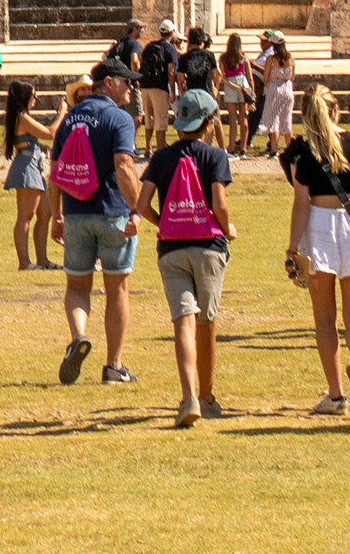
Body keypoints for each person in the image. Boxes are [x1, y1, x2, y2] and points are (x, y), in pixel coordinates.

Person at [137, 87, 236, 427]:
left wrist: (163, 223)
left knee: (183, 320)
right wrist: (228, 228)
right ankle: (206, 397)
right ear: (208, 123)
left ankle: (188, 396)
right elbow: (219, 204)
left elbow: (141, 204)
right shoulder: (215, 156)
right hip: (208, 247)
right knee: (206, 323)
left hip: (171, 249)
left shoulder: (160, 157)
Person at [282, 81, 350, 412]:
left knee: (324, 317)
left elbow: (300, 203)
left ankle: (336, 396)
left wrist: (292, 249)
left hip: (318, 225)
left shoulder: (300, 152)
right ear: (336, 109)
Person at [55, 60, 145, 387]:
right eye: (126, 81)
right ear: (108, 83)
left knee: (77, 286)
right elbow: (124, 165)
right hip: (112, 212)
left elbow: (55, 171)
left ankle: (79, 335)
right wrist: (136, 210)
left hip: (75, 212)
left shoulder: (69, 119)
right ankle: (114, 366)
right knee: (117, 289)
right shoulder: (119, 118)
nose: (131, 87)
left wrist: (56, 215)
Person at [0, 79, 59, 270]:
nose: (36, 98)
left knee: (45, 213)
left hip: (34, 167)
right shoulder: (22, 117)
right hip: (26, 168)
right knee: (25, 216)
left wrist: (42, 147)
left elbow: (30, 139)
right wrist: (62, 114)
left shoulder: (22, 117)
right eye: (34, 95)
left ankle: (42, 260)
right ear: (25, 97)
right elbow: (50, 133)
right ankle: (24, 263)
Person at [136, 21, 180, 152]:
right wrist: (173, 90)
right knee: (161, 119)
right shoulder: (170, 49)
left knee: (148, 118)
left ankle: (148, 147)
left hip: (145, 85)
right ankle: (160, 148)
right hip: (160, 86)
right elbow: (171, 72)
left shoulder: (149, 46)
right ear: (171, 32)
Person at [251, 34, 296, 157]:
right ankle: (290, 149)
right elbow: (292, 77)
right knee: (287, 119)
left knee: (274, 119)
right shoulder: (291, 58)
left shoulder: (271, 59)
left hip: (274, 87)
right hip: (287, 88)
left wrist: (271, 84)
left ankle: (274, 150)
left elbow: (266, 77)